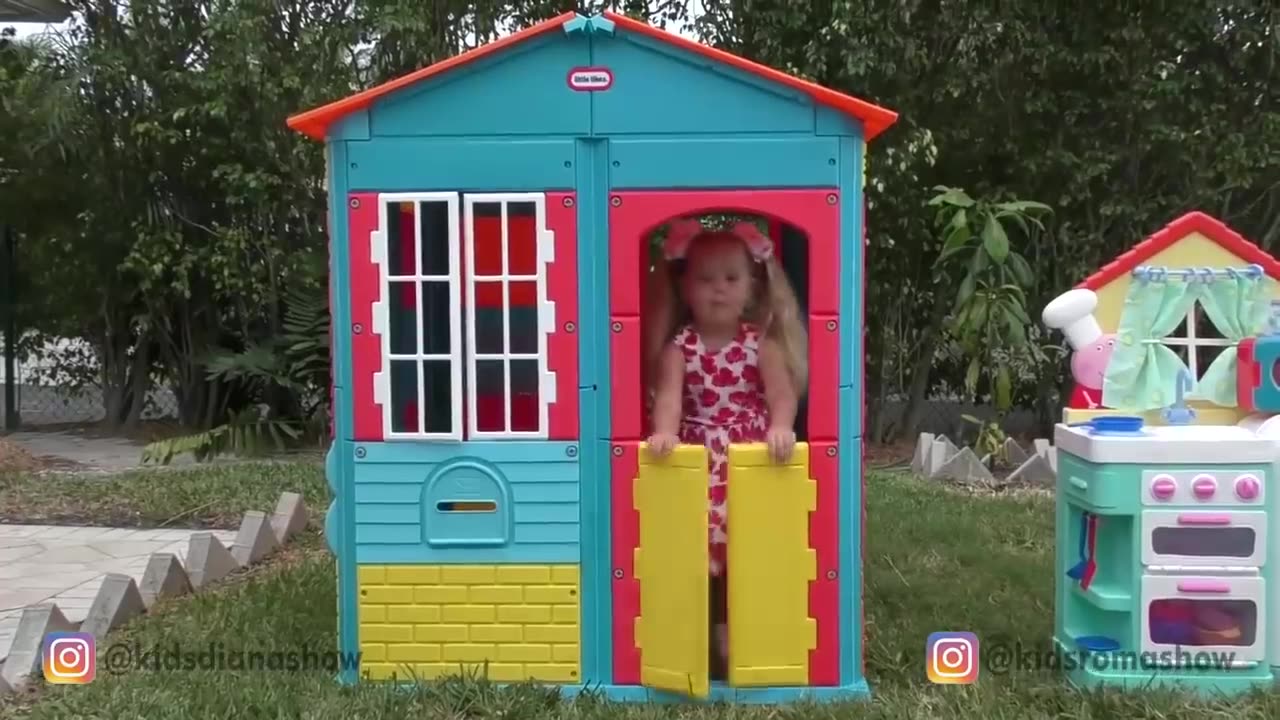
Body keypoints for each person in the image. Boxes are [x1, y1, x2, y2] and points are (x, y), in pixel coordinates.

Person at [644, 215, 808, 677]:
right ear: (685, 288)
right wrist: (665, 434)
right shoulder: (680, 348)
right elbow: (671, 400)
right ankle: (701, 630)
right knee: (694, 547)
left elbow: (782, 395)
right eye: (705, 279)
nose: (718, 289)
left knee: (750, 547)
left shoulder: (761, 345)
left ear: (752, 287)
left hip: (745, 459)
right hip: (700, 458)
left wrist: (781, 427)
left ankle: (741, 628)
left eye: (731, 279)